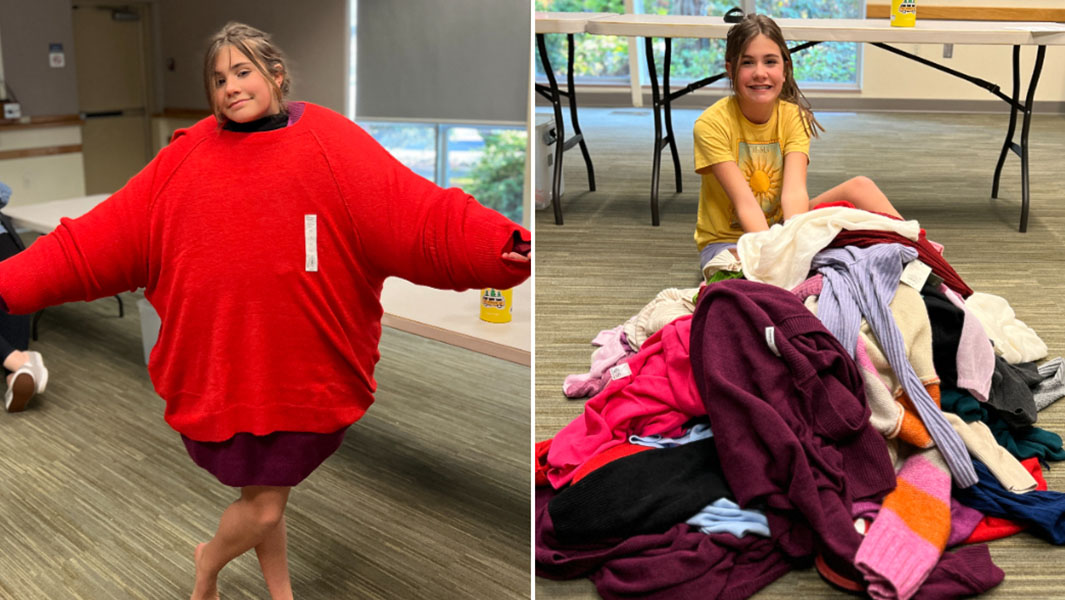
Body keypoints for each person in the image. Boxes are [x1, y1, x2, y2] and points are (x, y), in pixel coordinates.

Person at [0, 21, 530, 600]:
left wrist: (495, 245)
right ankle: (223, 570)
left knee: (264, 501)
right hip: (225, 372)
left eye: (243, 71)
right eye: (218, 79)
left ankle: (231, 573)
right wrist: (7, 284)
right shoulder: (186, 158)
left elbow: (417, 213)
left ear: (276, 75)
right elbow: (95, 241)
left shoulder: (329, 142)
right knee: (264, 503)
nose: (230, 86)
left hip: (300, 374)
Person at [693, 13, 902, 274]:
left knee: (861, 187)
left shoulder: (794, 117)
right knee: (751, 277)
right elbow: (744, 203)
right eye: (747, 62)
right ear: (730, 69)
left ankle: (920, 252)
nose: (760, 73)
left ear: (784, 68)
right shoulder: (710, 124)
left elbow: (794, 193)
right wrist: (781, 254)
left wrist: (795, 243)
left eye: (770, 61)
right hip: (731, 242)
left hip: (784, 228)